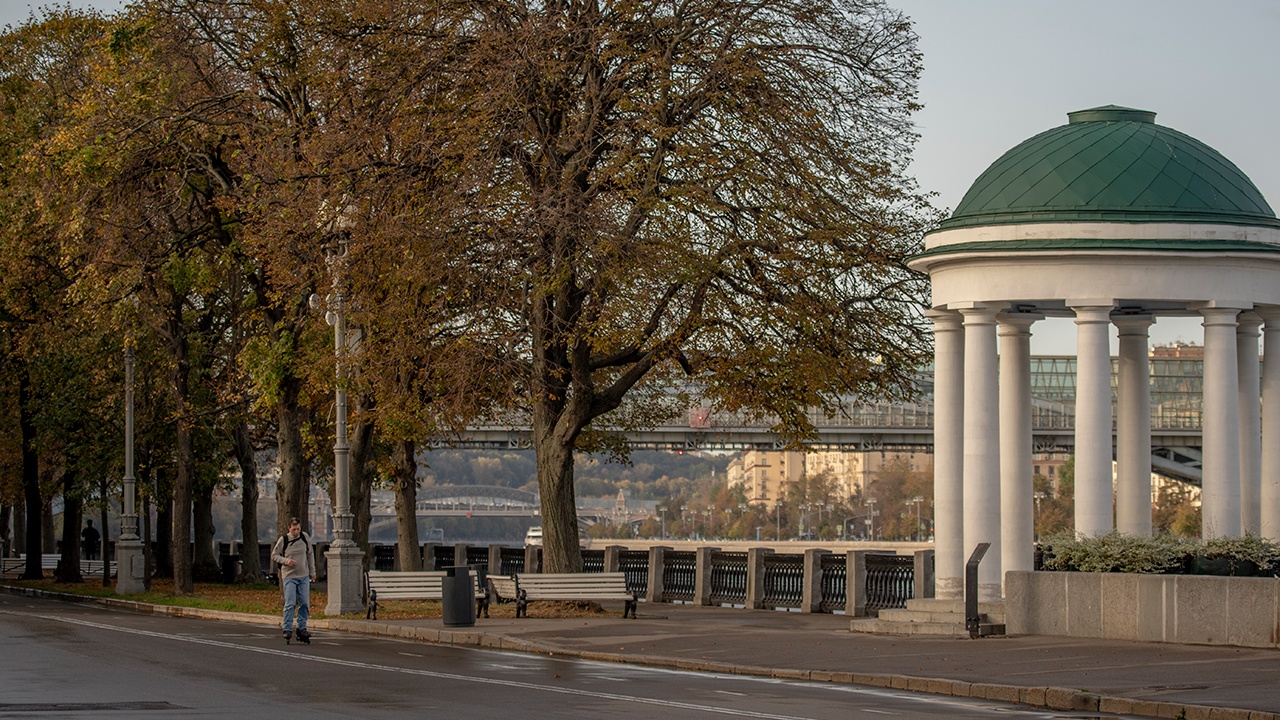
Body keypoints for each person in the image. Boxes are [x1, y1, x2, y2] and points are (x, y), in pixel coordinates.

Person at [271, 517, 316, 644]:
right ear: (289, 528)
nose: (296, 531)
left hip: (303, 576)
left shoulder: (304, 537)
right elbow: (274, 555)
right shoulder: (284, 540)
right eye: (294, 529)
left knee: (305, 603)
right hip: (289, 576)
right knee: (290, 603)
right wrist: (286, 561)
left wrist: (312, 572)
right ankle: (287, 627)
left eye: (298, 529)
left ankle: (302, 628)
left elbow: (310, 554)